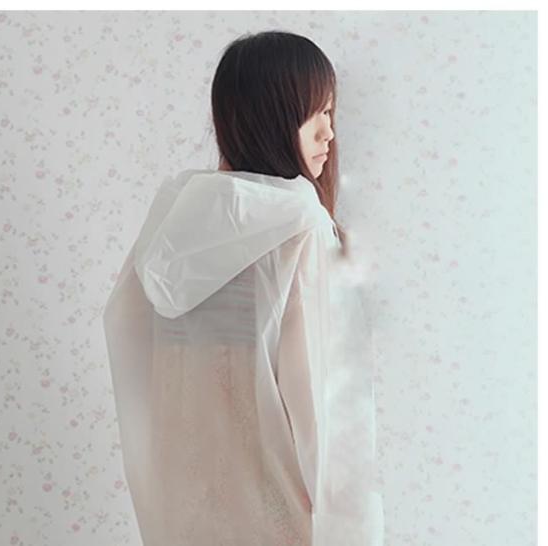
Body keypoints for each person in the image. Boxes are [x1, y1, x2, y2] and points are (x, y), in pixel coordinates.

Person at [102, 30, 384, 545]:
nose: (329, 133)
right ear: (270, 115)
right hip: (283, 521)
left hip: (187, 519)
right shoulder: (301, 229)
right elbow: (326, 409)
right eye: (315, 112)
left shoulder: (171, 227)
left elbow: (142, 371)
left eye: (331, 112)